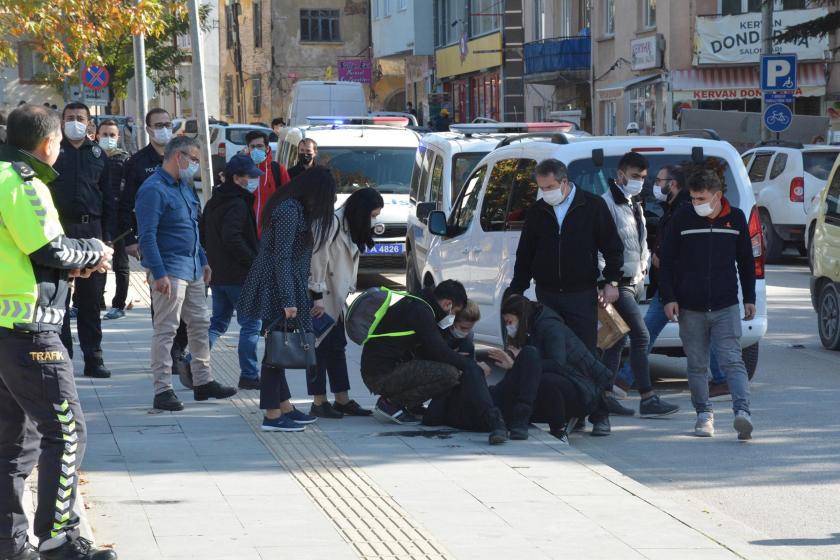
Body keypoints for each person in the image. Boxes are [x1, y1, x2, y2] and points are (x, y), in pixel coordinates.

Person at [0, 104, 117, 560]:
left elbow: (26, 255)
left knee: (15, 443)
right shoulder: (21, 182)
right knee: (66, 432)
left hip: (7, 330)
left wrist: (71, 269)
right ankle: (59, 538)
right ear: (49, 143)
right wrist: (94, 251)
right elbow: (49, 246)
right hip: (31, 331)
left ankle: (10, 546)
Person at [508, 158, 623, 435]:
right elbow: (525, 255)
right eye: (541, 187)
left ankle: (599, 413)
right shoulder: (538, 212)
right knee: (554, 356)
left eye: (549, 186)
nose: (545, 192)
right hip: (547, 295)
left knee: (586, 356)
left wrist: (612, 281)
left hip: (581, 294)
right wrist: (516, 290)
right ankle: (573, 411)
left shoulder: (592, 206)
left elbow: (613, 247)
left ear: (564, 182)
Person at [135, 136, 237, 411]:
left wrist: (203, 260)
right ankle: (163, 389)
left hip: (191, 267)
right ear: (177, 156)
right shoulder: (153, 189)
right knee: (166, 330)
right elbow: (147, 236)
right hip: (169, 269)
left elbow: (191, 228)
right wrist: (158, 273)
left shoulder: (184, 187)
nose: (194, 164)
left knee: (200, 324)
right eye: (192, 159)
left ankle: (203, 381)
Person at [237, 166, 337, 432]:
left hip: (282, 286)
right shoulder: (289, 211)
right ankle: (272, 415)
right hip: (275, 288)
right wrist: (288, 300)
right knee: (275, 352)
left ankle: (284, 407)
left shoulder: (293, 208)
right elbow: (281, 258)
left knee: (276, 348)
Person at [660, 169, 756, 440]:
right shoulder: (683, 217)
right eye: (692, 198)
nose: (696, 203)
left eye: (701, 198)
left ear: (718, 196)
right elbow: (666, 261)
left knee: (732, 361)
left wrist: (749, 297)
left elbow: (746, 262)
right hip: (690, 307)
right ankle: (704, 415)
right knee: (697, 364)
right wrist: (669, 298)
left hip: (726, 305)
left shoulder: (736, 218)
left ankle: (743, 413)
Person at [616, 164, 728, 397]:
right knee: (695, 333)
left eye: (659, 181)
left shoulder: (685, 210)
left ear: (673, 184)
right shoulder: (674, 207)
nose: (655, 186)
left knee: (646, 333)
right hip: (672, 284)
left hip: (677, 285)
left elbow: (689, 248)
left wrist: (663, 257)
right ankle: (721, 378)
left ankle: (624, 379)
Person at [360, 280, 509, 445]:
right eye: (454, 312)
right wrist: (472, 365)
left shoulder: (421, 301)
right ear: (447, 304)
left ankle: (410, 405)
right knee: (449, 374)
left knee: (447, 368)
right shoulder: (421, 312)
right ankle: (391, 403)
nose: (451, 317)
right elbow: (440, 352)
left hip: (381, 368)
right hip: (380, 375)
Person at [598, 152, 680, 418]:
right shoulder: (606, 204)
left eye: (643, 178)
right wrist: (606, 281)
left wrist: (643, 266)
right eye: (635, 177)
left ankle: (605, 396)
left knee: (616, 339)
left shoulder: (633, 203)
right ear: (621, 175)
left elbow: (639, 242)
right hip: (615, 283)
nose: (640, 182)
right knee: (641, 335)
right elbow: (601, 247)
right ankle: (647, 397)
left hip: (632, 282)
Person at [120, 108, 191, 384]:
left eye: (167, 124)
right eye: (157, 125)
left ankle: (181, 352)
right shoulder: (138, 163)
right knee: (163, 306)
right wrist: (130, 240)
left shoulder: (183, 158)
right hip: (154, 244)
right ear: (148, 129)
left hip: (182, 249)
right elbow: (126, 205)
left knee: (189, 310)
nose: (163, 128)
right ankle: (169, 358)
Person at [49, 102, 114, 379]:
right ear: (62, 122)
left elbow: (109, 199)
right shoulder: (53, 153)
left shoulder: (99, 155)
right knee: (58, 297)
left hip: (91, 232)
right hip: (59, 231)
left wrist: (108, 239)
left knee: (90, 299)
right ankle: (63, 357)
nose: (74, 122)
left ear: (89, 124)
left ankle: (94, 358)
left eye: (80, 118)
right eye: (69, 118)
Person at [307, 187, 383, 419]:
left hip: (338, 298)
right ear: (361, 210)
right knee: (319, 350)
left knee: (337, 347)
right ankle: (319, 401)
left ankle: (342, 399)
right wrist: (317, 294)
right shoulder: (330, 222)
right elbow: (317, 259)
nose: (373, 221)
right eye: (372, 215)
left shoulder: (351, 226)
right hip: (321, 297)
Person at [201, 154, 263, 391]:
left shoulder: (214, 201)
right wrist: (253, 261)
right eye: (250, 177)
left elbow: (204, 233)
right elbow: (232, 237)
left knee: (218, 322)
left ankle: (190, 360)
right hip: (240, 276)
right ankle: (249, 374)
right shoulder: (238, 203)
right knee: (250, 325)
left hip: (218, 275)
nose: (253, 181)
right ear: (237, 178)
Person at [96, 120, 131, 321]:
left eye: (112, 135)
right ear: (97, 135)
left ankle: (119, 305)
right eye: (104, 134)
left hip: (119, 218)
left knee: (120, 264)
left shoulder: (125, 160)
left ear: (118, 137)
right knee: (96, 260)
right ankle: (96, 300)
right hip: (98, 217)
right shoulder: (92, 157)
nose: (108, 138)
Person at [244, 130, 290, 237]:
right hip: (246, 233)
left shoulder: (278, 170)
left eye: (260, 146)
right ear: (248, 148)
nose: (256, 150)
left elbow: (288, 199)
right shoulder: (241, 171)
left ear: (267, 148)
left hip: (272, 232)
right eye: (252, 146)